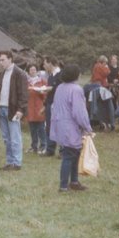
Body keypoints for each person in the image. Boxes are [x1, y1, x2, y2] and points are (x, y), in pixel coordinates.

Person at [49, 64, 93, 193]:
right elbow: (79, 112)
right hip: (70, 126)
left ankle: (74, 181)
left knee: (74, 154)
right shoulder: (76, 89)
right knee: (69, 155)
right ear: (76, 75)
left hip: (60, 124)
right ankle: (63, 186)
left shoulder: (60, 88)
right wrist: (87, 127)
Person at [0, 50, 28, 171]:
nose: (0, 62)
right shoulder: (2, 74)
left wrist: (21, 109)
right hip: (2, 108)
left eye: (3, 60)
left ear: (10, 59)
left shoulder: (20, 74)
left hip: (13, 109)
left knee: (15, 137)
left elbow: (24, 94)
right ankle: (10, 161)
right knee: (6, 138)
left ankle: (17, 162)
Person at [41, 56, 62, 157]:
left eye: (45, 63)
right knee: (49, 126)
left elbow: (61, 89)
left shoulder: (61, 74)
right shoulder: (50, 76)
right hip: (50, 104)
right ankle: (50, 149)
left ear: (50, 63)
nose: (44, 66)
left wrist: (51, 88)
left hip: (59, 105)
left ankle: (63, 150)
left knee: (60, 127)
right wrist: (45, 106)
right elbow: (49, 94)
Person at [25, 64, 48, 154]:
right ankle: (34, 146)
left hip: (39, 107)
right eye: (31, 70)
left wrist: (42, 92)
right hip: (30, 107)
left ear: (37, 71)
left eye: (34, 69)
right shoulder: (26, 82)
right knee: (32, 129)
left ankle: (43, 146)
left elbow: (46, 94)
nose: (33, 71)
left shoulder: (42, 81)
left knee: (41, 128)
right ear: (28, 72)